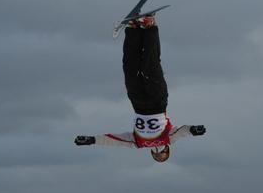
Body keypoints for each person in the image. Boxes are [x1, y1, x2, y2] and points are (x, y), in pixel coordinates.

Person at [74, 15, 206, 162]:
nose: (158, 154)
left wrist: (92, 140)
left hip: (138, 104)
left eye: (156, 156)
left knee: (130, 68)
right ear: (167, 150)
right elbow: (183, 131)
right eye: (162, 155)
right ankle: (150, 27)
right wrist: (194, 130)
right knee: (150, 66)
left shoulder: (137, 143)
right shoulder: (169, 139)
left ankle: (133, 30)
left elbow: (115, 141)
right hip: (157, 102)